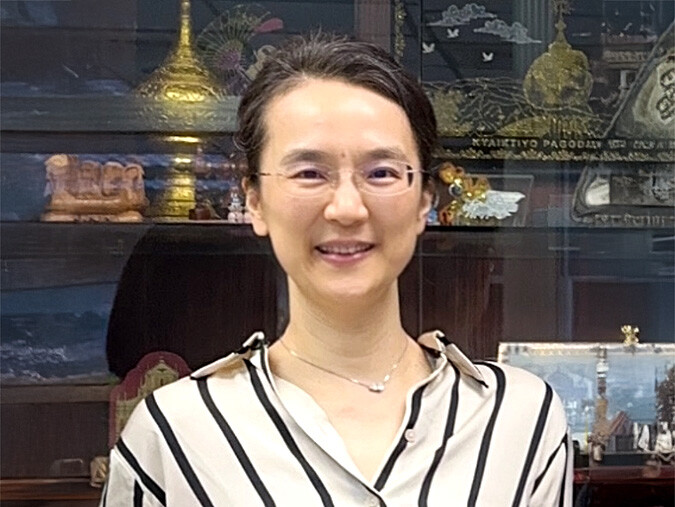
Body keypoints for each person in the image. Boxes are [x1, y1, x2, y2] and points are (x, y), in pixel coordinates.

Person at [101, 33, 572, 506]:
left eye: (381, 173)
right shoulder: (173, 436)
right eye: (309, 173)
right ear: (255, 201)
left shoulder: (519, 421)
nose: (347, 208)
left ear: (424, 202)